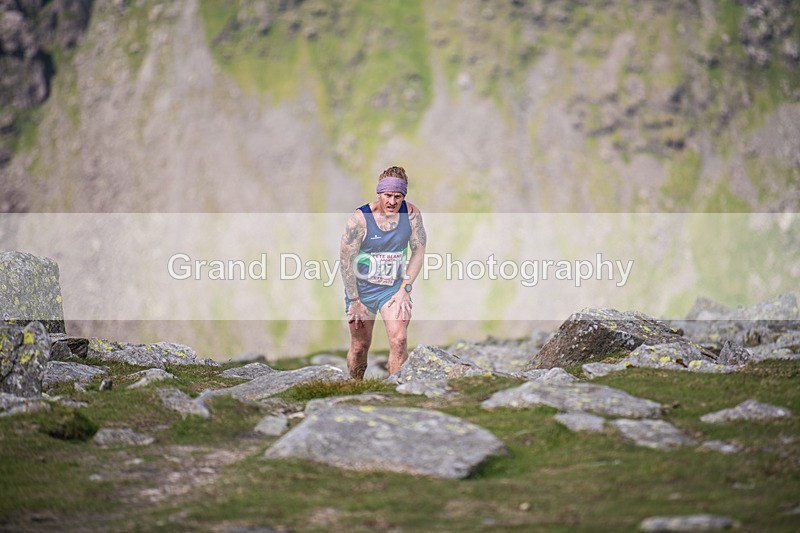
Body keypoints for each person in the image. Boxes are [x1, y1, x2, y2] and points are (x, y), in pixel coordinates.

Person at [339, 166, 427, 379]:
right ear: (379, 193)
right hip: (362, 292)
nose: (392, 202)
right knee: (360, 346)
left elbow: (418, 251)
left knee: (399, 340)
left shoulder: (412, 214)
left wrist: (405, 289)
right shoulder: (359, 220)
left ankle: (395, 391)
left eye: (398, 196)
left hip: (393, 290)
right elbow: (345, 261)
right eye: (388, 195)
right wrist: (354, 300)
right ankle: (355, 389)